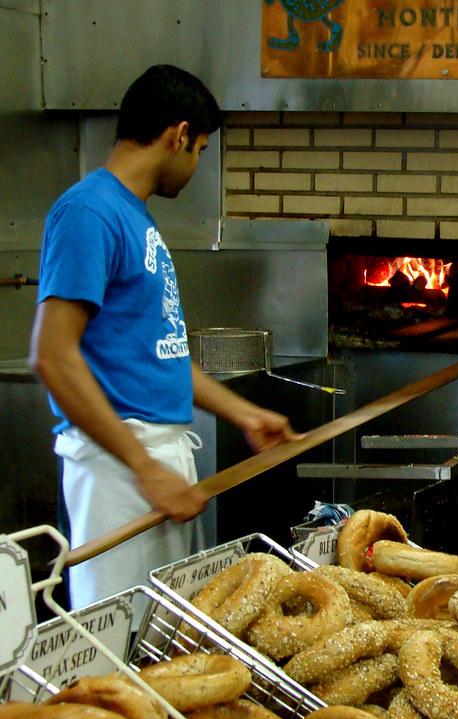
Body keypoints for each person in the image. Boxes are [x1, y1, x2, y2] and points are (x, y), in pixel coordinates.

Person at [29, 64, 301, 610]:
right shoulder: (89, 212)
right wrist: (143, 466)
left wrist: (242, 413)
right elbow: (52, 356)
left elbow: (160, 355)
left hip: (153, 461)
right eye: (200, 149)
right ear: (178, 135)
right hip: (117, 470)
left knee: (163, 642)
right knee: (116, 647)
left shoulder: (135, 218)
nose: (197, 164)